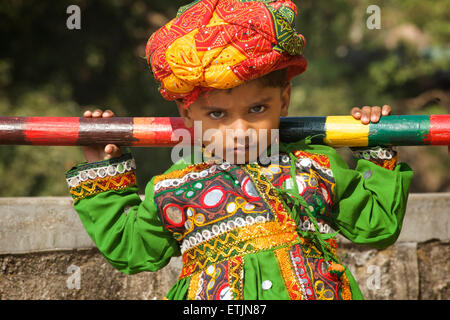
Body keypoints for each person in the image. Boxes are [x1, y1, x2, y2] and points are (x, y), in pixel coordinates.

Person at [65, 0, 413, 300]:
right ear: (188, 114)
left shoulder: (316, 165)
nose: (240, 131)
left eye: (257, 109)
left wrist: (375, 143)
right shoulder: (173, 187)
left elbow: (378, 225)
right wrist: (103, 170)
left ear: (284, 100)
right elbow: (132, 249)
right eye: (217, 114)